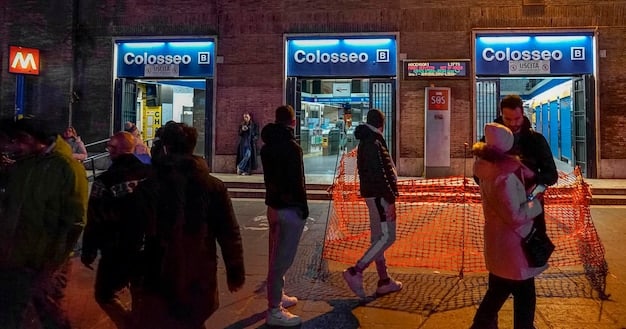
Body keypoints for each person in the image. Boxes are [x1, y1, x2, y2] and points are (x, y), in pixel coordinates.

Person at [135, 122, 245, 328]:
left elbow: (133, 233)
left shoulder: (149, 185)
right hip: (199, 273)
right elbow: (229, 232)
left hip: (158, 274)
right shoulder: (213, 186)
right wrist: (235, 271)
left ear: (165, 147)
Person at [0, 116, 88, 328]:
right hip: (15, 258)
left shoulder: (67, 168)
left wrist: (52, 267)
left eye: (13, 142)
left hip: (45, 263)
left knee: (50, 314)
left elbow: (74, 223)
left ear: (28, 138)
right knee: (9, 312)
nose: (10, 148)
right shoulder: (24, 166)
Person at [471, 122, 547, 329]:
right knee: (524, 297)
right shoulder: (503, 177)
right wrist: (535, 203)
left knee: (496, 294)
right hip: (515, 248)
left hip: (499, 245)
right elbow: (514, 214)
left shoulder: (487, 170)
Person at [80, 131, 152, 325]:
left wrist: (89, 251)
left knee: (104, 293)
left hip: (116, 248)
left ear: (113, 151)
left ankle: (129, 325)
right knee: (140, 292)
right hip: (147, 246)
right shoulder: (151, 175)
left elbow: (95, 219)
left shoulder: (104, 181)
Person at [342, 109, 403, 298]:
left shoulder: (367, 141)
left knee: (378, 238)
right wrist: (390, 200)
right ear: (382, 125)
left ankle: (384, 280)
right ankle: (356, 270)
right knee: (387, 237)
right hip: (379, 197)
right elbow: (381, 175)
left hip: (374, 196)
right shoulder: (374, 142)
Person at [260, 105, 309, 327]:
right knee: (283, 260)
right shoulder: (292, 148)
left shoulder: (266, 146)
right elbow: (298, 182)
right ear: (293, 122)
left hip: (273, 206)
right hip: (290, 208)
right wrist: (302, 208)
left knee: (274, 255)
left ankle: (278, 296)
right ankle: (274, 309)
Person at [493, 95, 558, 234]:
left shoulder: (536, 140)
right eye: (508, 119)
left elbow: (551, 176)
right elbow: (478, 175)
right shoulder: (491, 141)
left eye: (517, 119)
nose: (513, 124)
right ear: (501, 115)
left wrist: (533, 177)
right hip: (502, 209)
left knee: (533, 252)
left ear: (523, 114)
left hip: (531, 208)